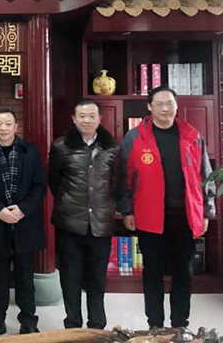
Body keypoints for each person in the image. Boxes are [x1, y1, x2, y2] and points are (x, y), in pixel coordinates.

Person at [119, 85, 216, 329]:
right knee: (152, 273)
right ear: (149, 107)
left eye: (170, 103)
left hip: (185, 217)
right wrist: (127, 210)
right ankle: (155, 325)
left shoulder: (192, 135)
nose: (165, 108)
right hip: (149, 218)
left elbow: (205, 176)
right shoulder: (134, 137)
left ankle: (180, 324)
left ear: (176, 106)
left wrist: (206, 210)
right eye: (159, 103)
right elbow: (124, 177)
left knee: (183, 272)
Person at [0, 108, 46, 338]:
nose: (3, 128)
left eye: (7, 123)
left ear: (16, 127)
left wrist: (23, 209)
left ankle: (28, 322)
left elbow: (39, 186)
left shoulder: (30, 152)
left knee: (26, 278)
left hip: (26, 223)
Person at [49, 99, 121, 330]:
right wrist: (69, 203)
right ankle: (72, 325)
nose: (87, 120)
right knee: (70, 277)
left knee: (97, 278)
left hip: (101, 223)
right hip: (69, 223)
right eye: (82, 116)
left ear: (100, 119)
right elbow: (54, 182)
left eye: (91, 116)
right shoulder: (60, 146)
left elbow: (116, 183)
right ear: (74, 119)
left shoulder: (112, 148)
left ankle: (96, 326)